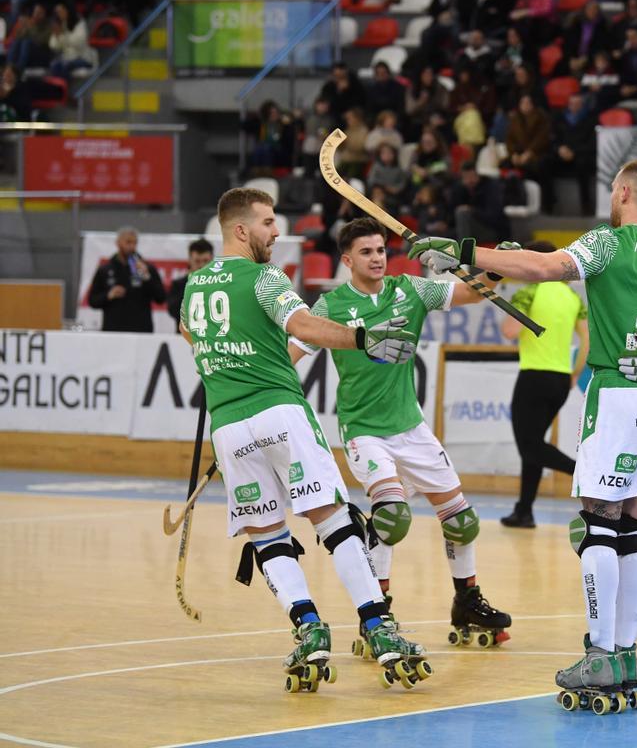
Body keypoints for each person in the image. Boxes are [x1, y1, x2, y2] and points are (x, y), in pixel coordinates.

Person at [406, 159, 637, 707]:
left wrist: (465, 250)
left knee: (598, 524)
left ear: (621, 192)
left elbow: (545, 267)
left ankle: (600, 654)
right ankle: (625, 652)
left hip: (618, 394)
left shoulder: (608, 243)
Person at [181, 188, 422, 689]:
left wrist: (231, 358)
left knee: (267, 533)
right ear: (241, 230)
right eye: (268, 223)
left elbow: (190, 334)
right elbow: (306, 326)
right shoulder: (265, 277)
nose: (277, 232)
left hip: (229, 424)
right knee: (332, 519)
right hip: (280, 412)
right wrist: (364, 337)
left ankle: (309, 628)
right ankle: (379, 626)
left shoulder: (195, 284)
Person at [290, 216, 514, 652]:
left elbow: (471, 290)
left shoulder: (409, 290)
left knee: (462, 521)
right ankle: (378, 610)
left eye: (381, 251)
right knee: (392, 517)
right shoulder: (329, 307)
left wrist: (499, 265)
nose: (377, 259)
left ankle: (466, 600)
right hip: (364, 432)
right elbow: (290, 354)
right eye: (367, 252)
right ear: (347, 259)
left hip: (411, 428)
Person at [499, 240, 588, 529]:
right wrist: (574, 373)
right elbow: (587, 340)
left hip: (533, 377)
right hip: (561, 380)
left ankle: (582, 473)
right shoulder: (572, 297)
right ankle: (524, 511)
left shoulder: (529, 291)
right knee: (533, 443)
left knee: (529, 445)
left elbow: (510, 332)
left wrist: (521, 312)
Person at [87, 227, 166, 333]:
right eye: (128, 242)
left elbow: (161, 298)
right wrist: (108, 295)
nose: (132, 246)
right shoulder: (105, 270)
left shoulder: (147, 268)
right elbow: (92, 300)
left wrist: (147, 277)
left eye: (135, 243)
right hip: (113, 330)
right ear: (118, 243)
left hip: (141, 331)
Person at [552, 93, 599, 215]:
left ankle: (586, 205)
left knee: (582, 165)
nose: (575, 106)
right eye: (572, 103)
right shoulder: (560, 119)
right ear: (568, 105)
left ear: (582, 105)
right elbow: (554, 139)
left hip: (582, 155)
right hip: (562, 154)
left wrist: (574, 151)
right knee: (544, 163)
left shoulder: (591, 120)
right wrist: (559, 149)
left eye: (578, 104)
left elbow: (592, 144)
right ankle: (550, 204)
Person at [167, 238, 214, 329]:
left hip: (212, 338)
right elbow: (172, 311)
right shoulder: (179, 284)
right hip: (184, 337)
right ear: (190, 260)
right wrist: (191, 284)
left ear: (212, 260)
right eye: (197, 261)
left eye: (205, 261)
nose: (201, 266)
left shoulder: (221, 284)